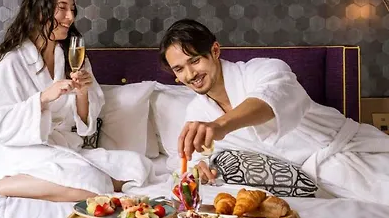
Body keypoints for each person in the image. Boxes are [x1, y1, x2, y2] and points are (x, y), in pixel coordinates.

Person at [0, 0, 155, 218]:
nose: (70, 17)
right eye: (62, 8)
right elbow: (0, 123)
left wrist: (82, 93)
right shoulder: (12, 63)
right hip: (23, 150)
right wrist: (43, 98)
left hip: (63, 148)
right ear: (40, 11)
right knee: (94, 182)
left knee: (137, 166)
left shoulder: (72, 56)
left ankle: (45, 180)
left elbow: (85, 124)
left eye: (72, 9)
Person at [160, 18, 389, 203]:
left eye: (195, 61)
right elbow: (195, 160)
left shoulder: (264, 70)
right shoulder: (197, 112)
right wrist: (200, 168)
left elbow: (271, 99)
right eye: (179, 69)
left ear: (215, 50)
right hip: (311, 187)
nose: (190, 74)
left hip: (359, 156)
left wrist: (221, 125)